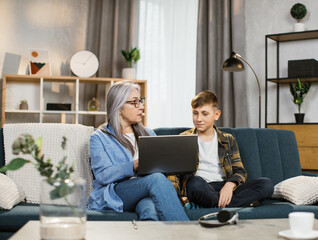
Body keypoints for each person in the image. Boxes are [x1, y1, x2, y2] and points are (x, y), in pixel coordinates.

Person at [87, 80, 189, 221]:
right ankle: (187, 234)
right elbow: (103, 175)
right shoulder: (99, 138)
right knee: (156, 179)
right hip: (117, 192)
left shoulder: (149, 134)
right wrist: (134, 165)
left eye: (141, 101)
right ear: (118, 106)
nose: (141, 106)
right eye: (135, 102)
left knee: (150, 210)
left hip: (146, 191)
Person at [177, 90, 274, 208]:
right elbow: (175, 174)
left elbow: (240, 171)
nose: (199, 119)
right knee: (193, 183)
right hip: (201, 187)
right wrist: (178, 197)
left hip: (224, 187)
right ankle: (234, 204)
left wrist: (229, 185)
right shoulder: (184, 138)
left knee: (266, 184)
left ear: (216, 115)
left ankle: (218, 203)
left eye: (204, 114)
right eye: (195, 113)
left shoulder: (228, 139)